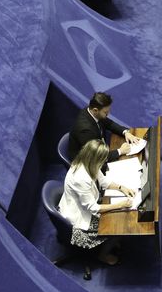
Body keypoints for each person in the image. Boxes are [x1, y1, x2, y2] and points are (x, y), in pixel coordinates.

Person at [58, 139, 135, 267]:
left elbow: (104, 182)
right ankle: (102, 255)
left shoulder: (89, 162)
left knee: (118, 217)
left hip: (86, 204)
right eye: (102, 159)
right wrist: (121, 205)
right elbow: (93, 208)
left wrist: (122, 187)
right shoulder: (80, 178)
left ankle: (109, 243)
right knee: (118, 227)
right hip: (79, 221)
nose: (104, 161)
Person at [68, 92, 142, 163]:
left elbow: (109, 123)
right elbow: (96, 157)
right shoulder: (86, 130)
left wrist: (126, 132)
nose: (108, 114)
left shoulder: (92, 111)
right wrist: (120, 151)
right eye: (106, 112)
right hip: (86, 162)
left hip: (99, 151)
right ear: (95, 110)